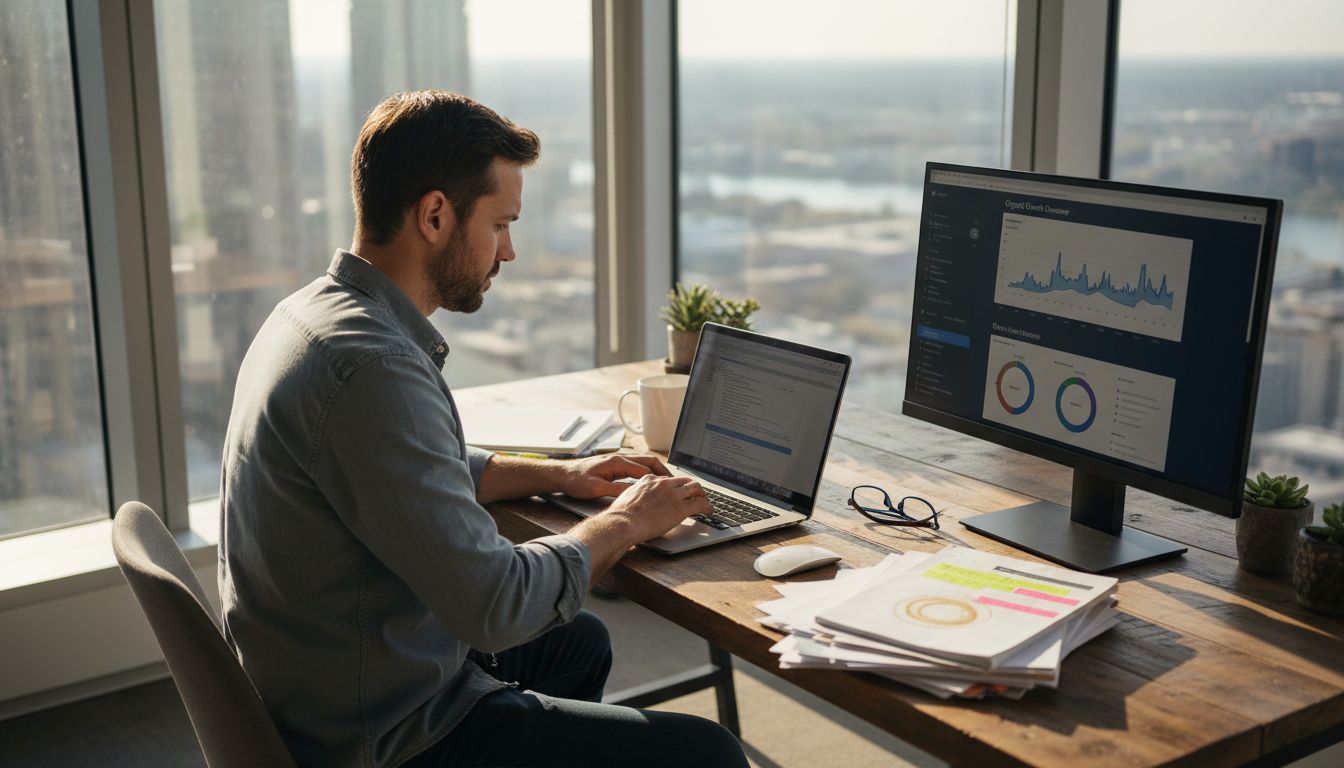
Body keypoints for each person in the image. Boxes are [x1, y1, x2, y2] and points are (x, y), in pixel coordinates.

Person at [218, 90, 749, 768]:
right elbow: (494, 605)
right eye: (501, 225)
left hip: (327, 679)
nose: (510, 251)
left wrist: (562, 475)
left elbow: (410, 469)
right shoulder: (373, 368)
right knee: (708, 753)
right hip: (388, 732)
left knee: (578, 641)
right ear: (436, 215)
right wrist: (624, 523)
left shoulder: (312, 316)